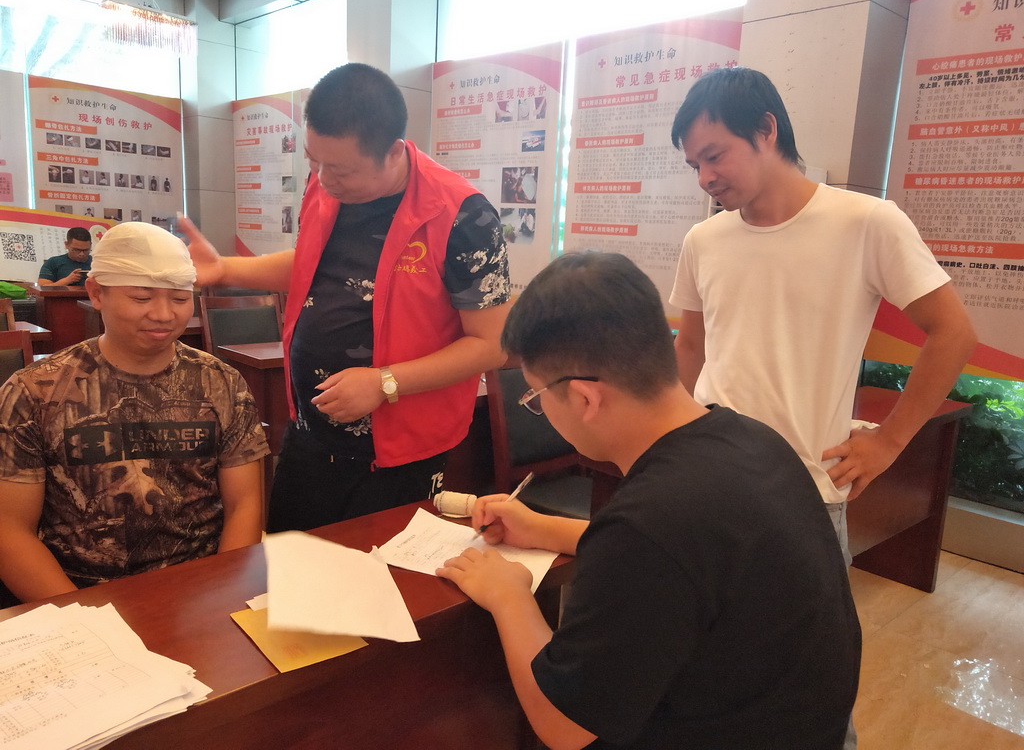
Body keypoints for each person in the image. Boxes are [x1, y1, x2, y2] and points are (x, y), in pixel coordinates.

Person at [437, 251, 861, 750]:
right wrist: (540, 528)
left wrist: (509, 596)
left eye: (535, 396)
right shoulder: (752, 439)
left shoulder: (651, 523)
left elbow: (564, 726)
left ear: (585, 398)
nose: (540, 409)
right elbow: (691, 560)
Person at [181, 62, 511, 532]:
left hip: (401, 453)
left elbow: (491, 345)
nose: (323, 178)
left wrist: (384, 383)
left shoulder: (463, 217)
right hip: (310, 434)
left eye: (339, 169)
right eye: (313, 160)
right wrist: (225, 270)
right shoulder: (326, 184)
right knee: (291, 560)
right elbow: (311, 265)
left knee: (376, 571)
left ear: (393, 151)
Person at [669, 67, 977, 559]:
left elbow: (953, 333)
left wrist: (889, 442)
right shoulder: (703, 240)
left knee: (805, 613)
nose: (704, 178)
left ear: (766, 130)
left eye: (714, 155)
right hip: (707, 478)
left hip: (806, 490)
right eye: (693, 165)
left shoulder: (867, 222)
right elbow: (691, 347)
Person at [0, 222, 268, 606]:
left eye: (179, 298)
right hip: (77, 593)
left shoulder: (221, 383)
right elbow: (10, 530)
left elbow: (245, 505)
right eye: (141, 298)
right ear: (96, 293)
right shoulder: (33, 391)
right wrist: (84, 622)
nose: (163, 314)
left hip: (201, 588)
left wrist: (224, 594)